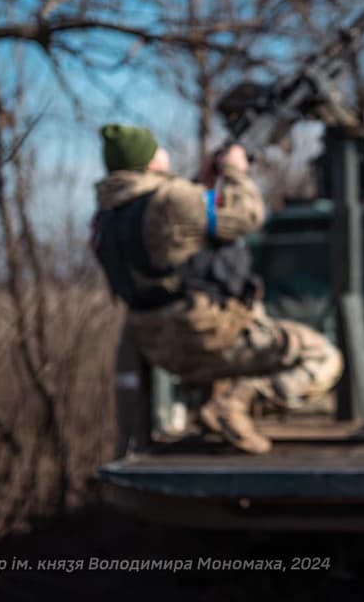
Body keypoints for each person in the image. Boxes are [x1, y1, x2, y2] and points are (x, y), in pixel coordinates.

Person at [92, 124, 343, 454]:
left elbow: (171, 234)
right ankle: (239, 402)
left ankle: (221, 409)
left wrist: (204, 181)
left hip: (159, 348)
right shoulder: (174, 200)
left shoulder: (107, 217)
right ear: (149, 160)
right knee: (323, 357)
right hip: (209, 335)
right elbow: (247, 215)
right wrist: (236, 171)